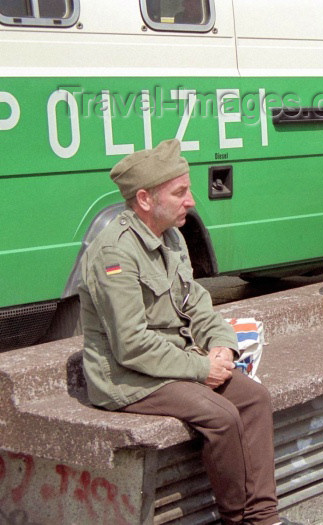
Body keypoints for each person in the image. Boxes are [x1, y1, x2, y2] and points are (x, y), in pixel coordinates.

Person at [79, 139, 298, 525]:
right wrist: (200, 369)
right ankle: (236, 519)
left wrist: (222, 347)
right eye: (180, 192)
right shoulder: (115, 252)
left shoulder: (172, 237)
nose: (192, 201)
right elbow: (130, 345)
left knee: (255, 399)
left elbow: (196, 302)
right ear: (144, 199)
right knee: (221, 415)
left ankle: (263, 518)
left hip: (171, 362)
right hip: (126, 377)